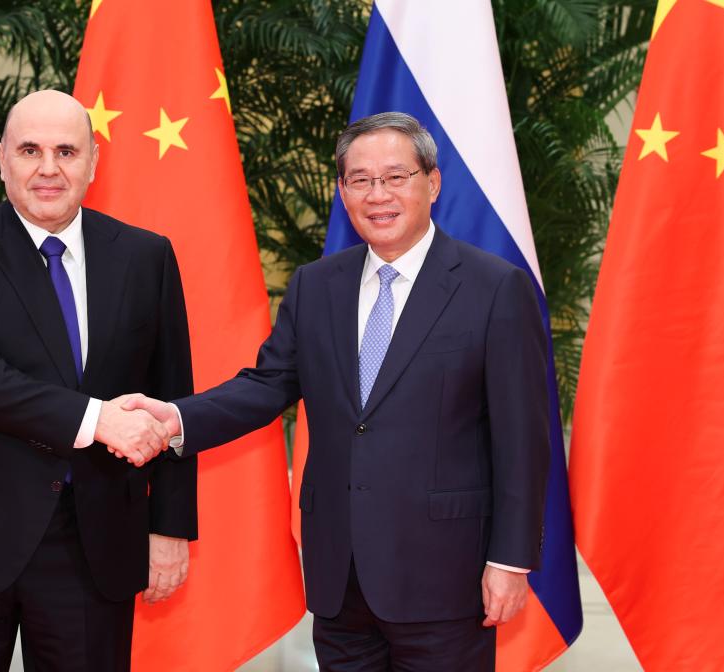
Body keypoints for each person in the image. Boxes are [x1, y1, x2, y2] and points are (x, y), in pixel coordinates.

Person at [123, 112, 550, 670]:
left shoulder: (494, 287)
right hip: (340, 578)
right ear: (343, 191)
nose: (378, 195)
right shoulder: (316, 285)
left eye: (395, 177)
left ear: (433, 183)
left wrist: (511, 561)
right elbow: (266, 386)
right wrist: (175, 418)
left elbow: (523, 440)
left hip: (448, 578)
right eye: (360, 180)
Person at [0, 90, 196, 671]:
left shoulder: (145, 256)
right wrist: (97, 419)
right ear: (2, 158)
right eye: (30, 150)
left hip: (95, 541)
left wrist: (170, 527)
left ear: (94, 162)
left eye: (66, 151)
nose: (48, 168)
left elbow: (172, 400)